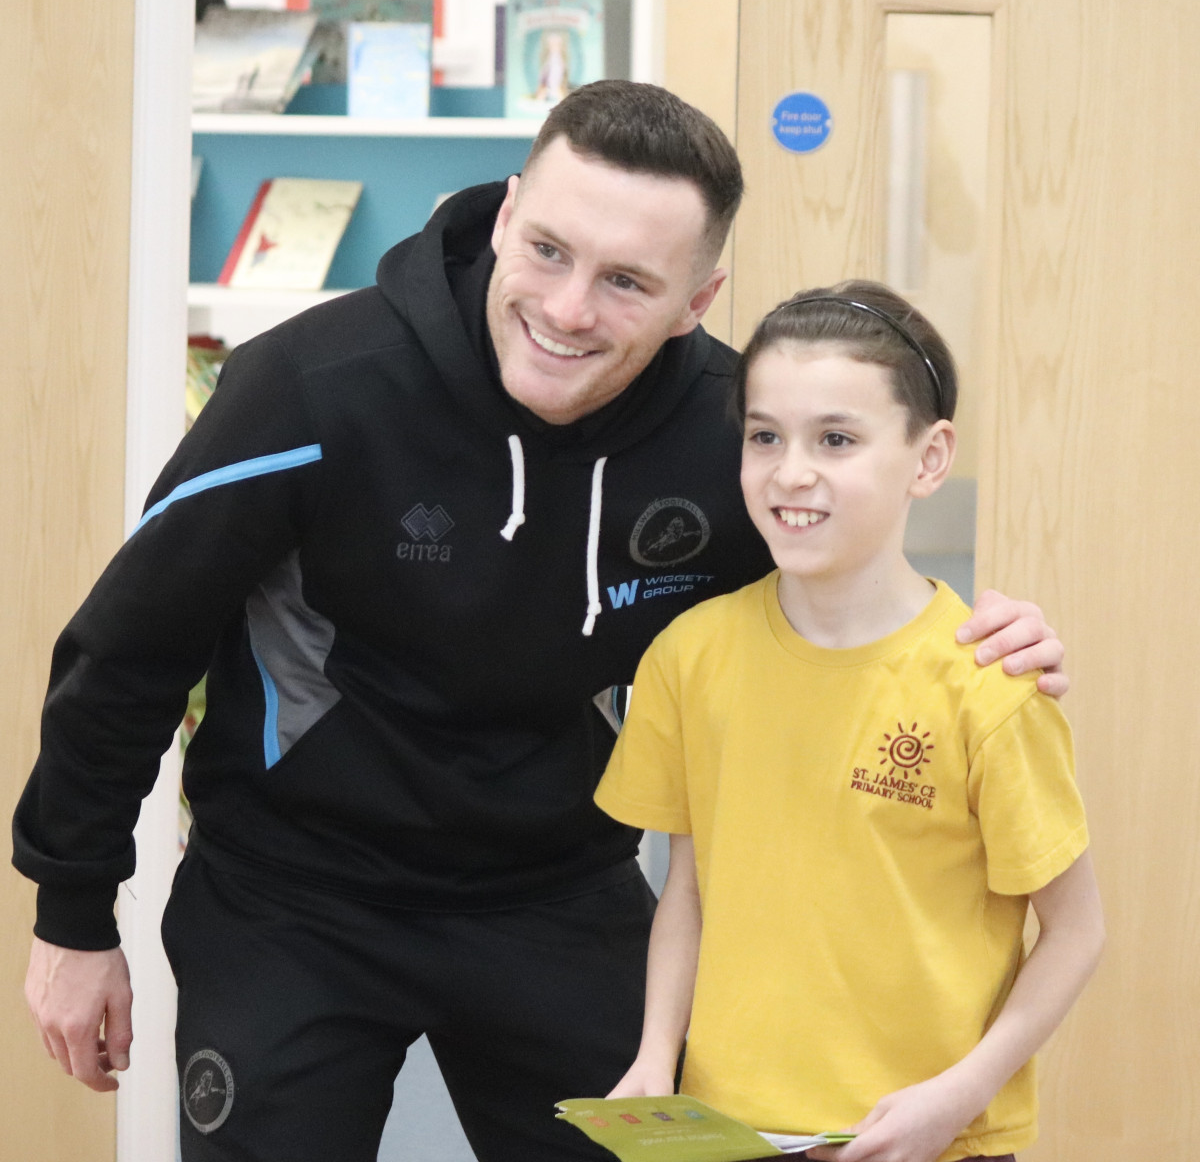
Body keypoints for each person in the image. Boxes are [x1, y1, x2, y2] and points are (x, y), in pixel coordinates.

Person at [14, 83, 1068, 1162]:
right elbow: (131, 649)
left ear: (696, 300)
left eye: (626, 282)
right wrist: (73, 914)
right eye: (551, 250)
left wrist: (978, 635)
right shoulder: (312, 387)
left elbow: (835, 585)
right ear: (508, 212)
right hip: (294, 896)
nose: (569, 309)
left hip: (557, 892)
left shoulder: (727, 437)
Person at [596, 281, 1105, 1162]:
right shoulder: (689, 655)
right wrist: (653, 1057)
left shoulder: (990, 685)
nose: (792, 471)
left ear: (928, 457)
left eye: (836, 438)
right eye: (765, 437)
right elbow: (689, 888)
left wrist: (959, 1095)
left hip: (929, 1138)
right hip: (733, 1134)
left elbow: (1076, 930)